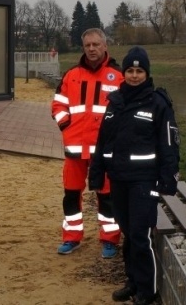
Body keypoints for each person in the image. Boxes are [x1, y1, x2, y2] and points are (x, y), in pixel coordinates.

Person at [89, 46, 180, 305]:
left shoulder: (158, 103)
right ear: (123, 72)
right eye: (130, 70)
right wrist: (96, 175)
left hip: (144, 181)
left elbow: (169, 143)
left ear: (147, 73)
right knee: (128, 234)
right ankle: (132, 281)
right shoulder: (115, 102)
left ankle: (146, 292)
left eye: (139, 71)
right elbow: (102, 141)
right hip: (119, 179)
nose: (134, 75)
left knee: (141, 236)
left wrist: (169, 177)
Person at [51, 28, 123, 258]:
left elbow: (125, 111)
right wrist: (66, 126)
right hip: (75, 149)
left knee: (106, 196)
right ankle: (71, 237)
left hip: (104, 151)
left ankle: (110, 239)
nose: (91, 49)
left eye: (96, 45)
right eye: (87, 45)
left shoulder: (117, 75)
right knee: (71, 194)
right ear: (83, 48)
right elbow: (58, 104)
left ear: (105, 46)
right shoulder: (71, 75)